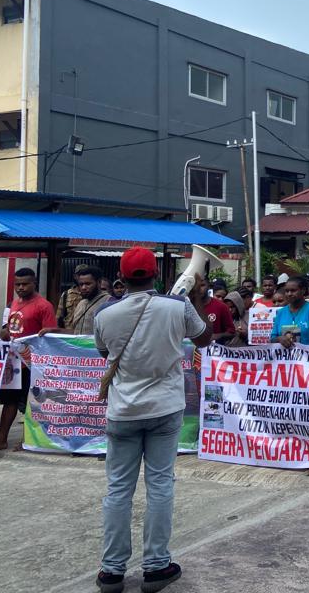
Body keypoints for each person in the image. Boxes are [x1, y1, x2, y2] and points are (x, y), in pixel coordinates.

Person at [93, 247, 213, 593]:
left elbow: (105, 352)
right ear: (155, 274)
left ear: (121, 276)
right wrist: (196, 296)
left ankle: (112, 571)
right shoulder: (177, 306)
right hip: (164, 408)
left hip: (123, 411)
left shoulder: (105, 314)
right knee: (160, 485)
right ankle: (157, 566)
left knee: (118, 489)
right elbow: (204, 338)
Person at [0, 268, 57, 453]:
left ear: (34, 283)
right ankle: (1, 439)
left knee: (31, 403)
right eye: (17, 284)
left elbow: (50, 335)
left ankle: (29, 440)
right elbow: (11, 327)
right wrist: (5, 332)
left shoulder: (44, 306)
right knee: (9, 402)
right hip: (13, 362)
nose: (20, 288)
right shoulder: (14, 302)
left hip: (32, 363)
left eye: (25, 284)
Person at [47, 265, 110, 336]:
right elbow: (76, 333)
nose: (83, 287)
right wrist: (53, 331)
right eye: (81, 284)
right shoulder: (81, 304)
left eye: (88, 284)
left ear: (99, 282)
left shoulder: (109, 302)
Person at [271, 276, 309, 348]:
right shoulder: (281, 312)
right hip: (284, 355)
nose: (289, 294)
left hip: (307, 354)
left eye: (293, 290)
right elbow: (272, 338)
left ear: (303, 290)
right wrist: (279, 339)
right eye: (287, 291)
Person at [56, 263, 90, 328]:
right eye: (79, 274)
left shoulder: (92, 295)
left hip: (86, 332)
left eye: (85, 274)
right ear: (75, 276)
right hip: (68, 332)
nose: (82, 277)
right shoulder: (66, 294)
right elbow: (58, 318)